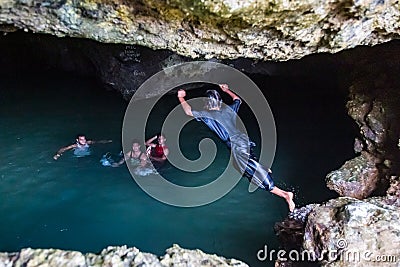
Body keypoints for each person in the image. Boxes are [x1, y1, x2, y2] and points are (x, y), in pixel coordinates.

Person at [177, 84, 295, 212]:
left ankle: (285, 194)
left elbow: (188, 111)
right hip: (243, 141)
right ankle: (260, 167)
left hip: (237, 146)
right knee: (238, 166)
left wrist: (181, 98)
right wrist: (226, 90)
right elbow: (238, 100)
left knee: (253, 172)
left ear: (207, 104)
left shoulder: (207, 115)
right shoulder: (228, 110)